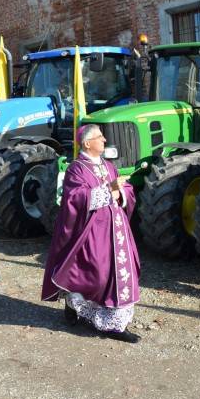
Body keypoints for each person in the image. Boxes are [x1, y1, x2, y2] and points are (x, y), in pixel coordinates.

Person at [41, 124, 141, 343]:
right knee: (96, 274)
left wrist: (121, 190)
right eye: (99, 137)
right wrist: (109, 190)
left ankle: (115, 324)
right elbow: (74, 198)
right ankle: (74, 302)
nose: (104, 140)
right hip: (93, 231)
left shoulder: (109, 165)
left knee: (121, 273)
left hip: (117, 229)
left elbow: (125, 189)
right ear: (87, 143)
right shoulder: (76, 168)